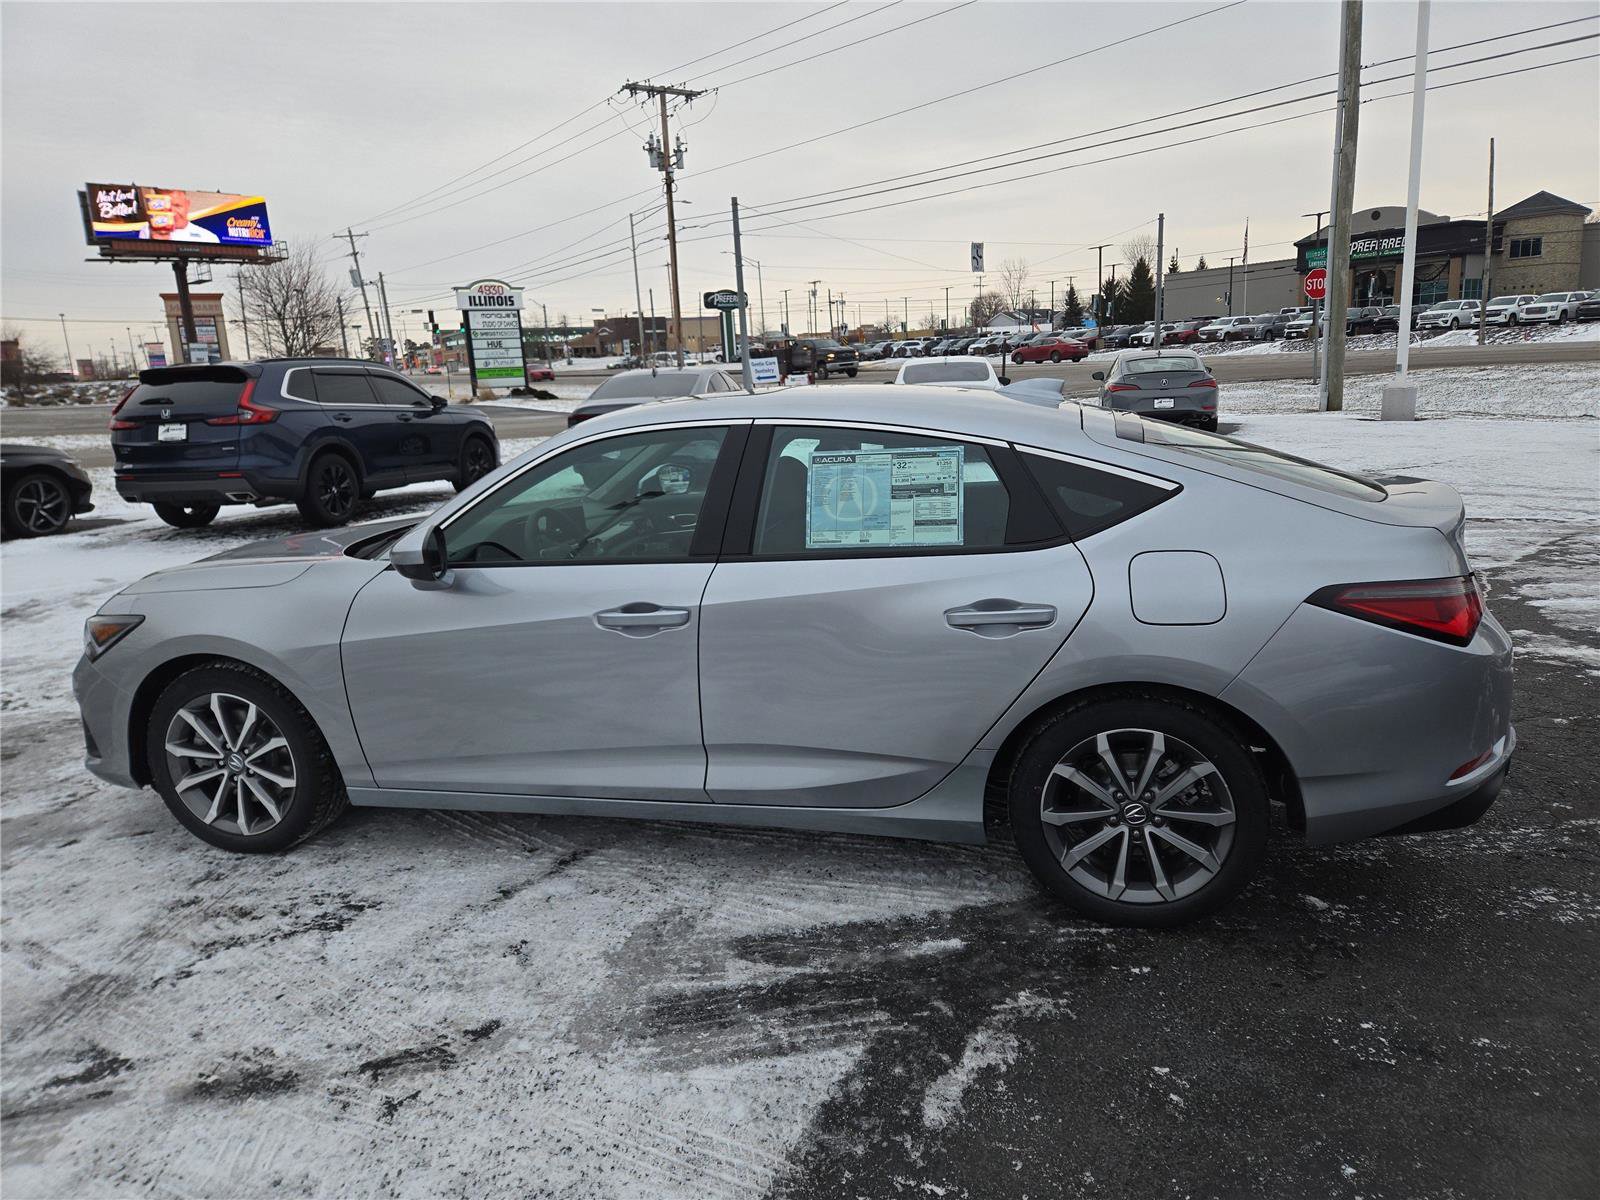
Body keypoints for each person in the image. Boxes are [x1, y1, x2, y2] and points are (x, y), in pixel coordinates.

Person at [143, 189, 219, 243]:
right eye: (165, 206)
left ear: (187, 204)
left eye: (177, 206)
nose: (171, 212)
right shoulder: (147, 231)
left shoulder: (209, 238)